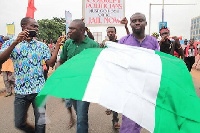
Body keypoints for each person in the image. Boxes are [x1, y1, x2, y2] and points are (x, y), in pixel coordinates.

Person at [0, 17, 62, 133]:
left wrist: (57, 45)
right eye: (33, 26)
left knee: (40, 123)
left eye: (37, 26)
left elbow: (50, 63)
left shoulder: (41, 46)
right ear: (24, 27)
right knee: (19, 123)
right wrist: (15, 42)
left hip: (39, 91)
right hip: (21, 91)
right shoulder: (10, 43)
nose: (36, 28)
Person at [118, 12, 160, 133]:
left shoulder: (153, 42)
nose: (137, 22)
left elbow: (157, 63)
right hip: (130, 87)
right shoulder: (123, 41)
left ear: (145, 23)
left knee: (149, 118)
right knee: (129, 120)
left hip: (148, 87)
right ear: (130, 24)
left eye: (140, 20)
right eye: (134, 21)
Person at [56, 19, 99, 133]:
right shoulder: (68, 43)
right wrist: (59, 70)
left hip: (84, 87)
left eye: (72, 29)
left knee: (81, 118)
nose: (69, 31)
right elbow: (61, 60)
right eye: (69, 28)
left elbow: (98, 66)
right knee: (78, 112)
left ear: (81, 30)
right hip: (70, 86)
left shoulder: (93, 45)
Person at [103, 26, 120, 129]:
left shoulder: (120, 44)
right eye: (108, 32)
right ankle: (108, 105)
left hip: (118, 74)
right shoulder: (104, 45)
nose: (110, 33)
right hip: (107, 73)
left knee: (116, 97)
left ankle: (115, 120)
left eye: (112, 32)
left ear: (115, 33)